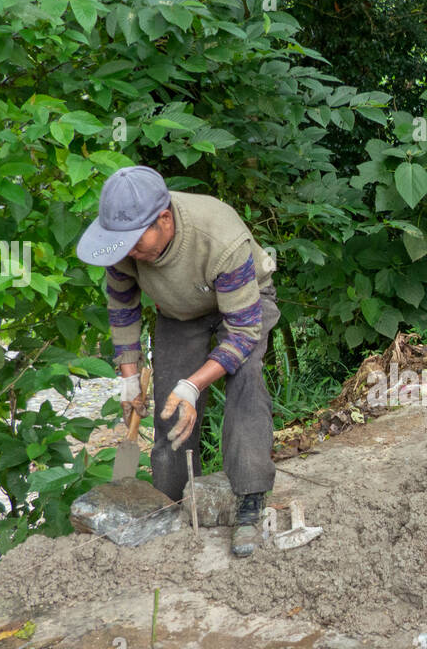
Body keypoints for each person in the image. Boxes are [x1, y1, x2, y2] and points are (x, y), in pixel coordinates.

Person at [76, 166, 280, 558]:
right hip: (179, 312)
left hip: (243, 311)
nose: (128, 254)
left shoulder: (220, 236)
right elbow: (122, 308)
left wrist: (195, 384)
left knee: (246, 383)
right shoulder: (125, 244)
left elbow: (242, 334)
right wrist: (129, 378)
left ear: (164, 220)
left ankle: (250, 502)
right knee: (171, 403)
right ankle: (167, 503)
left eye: (135, 243)